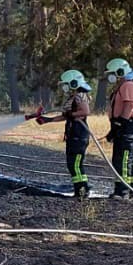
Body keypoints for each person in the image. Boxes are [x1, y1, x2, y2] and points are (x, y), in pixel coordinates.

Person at [34, 68, 94, 199]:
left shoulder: (80, 96)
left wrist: (70, 114)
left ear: (73, 83)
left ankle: (82, 190)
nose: (64, 87)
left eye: (65, 84)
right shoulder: (73, 97)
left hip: (79, 134)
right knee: (72, 163)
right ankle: (79, 189)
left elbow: (85, 111)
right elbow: (66, 116)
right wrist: (48, 120)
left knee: (75, 164)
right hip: (73, 134)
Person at [104, 58, 133, 199]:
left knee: (124, 159)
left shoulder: (128, 86)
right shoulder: (123, 86)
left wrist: (120, 123)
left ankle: (123, 191)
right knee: (125, 157)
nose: (110, 76)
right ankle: (131, 189)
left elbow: (129, 105)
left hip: (128, 125)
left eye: (112, 73)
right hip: (125, 125)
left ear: (119, 72)